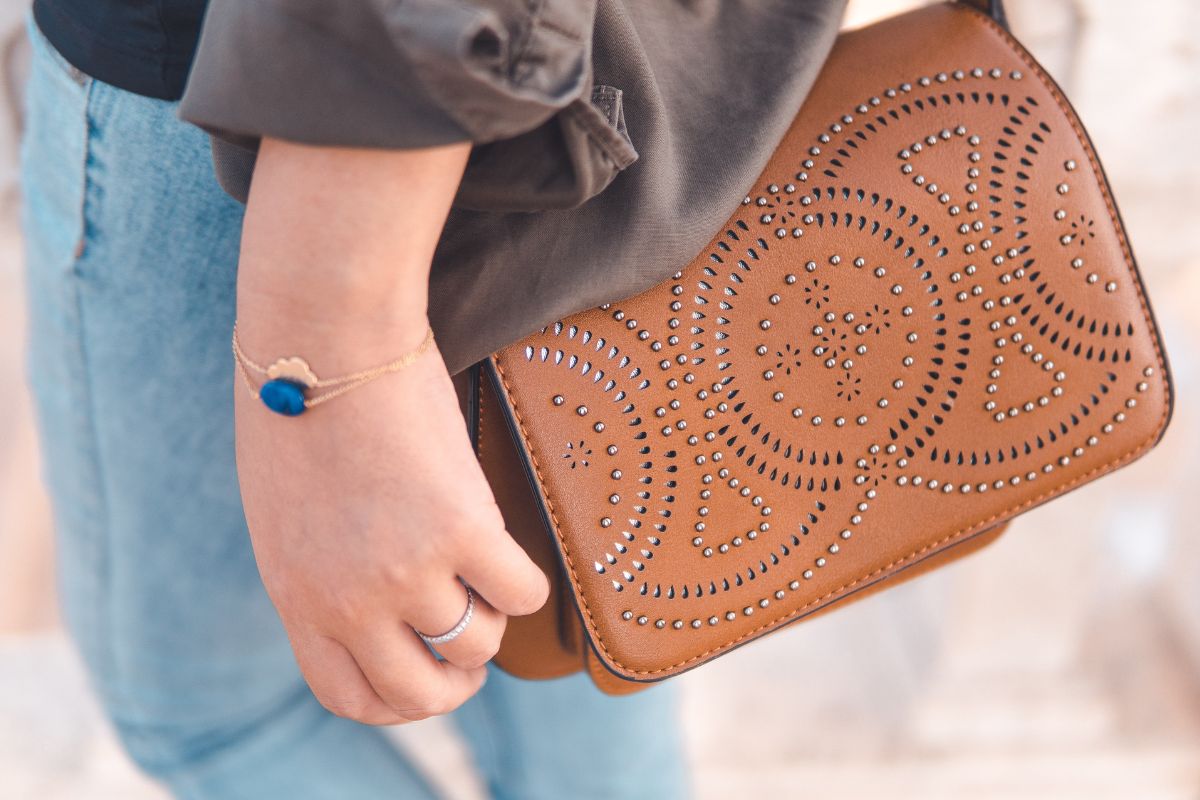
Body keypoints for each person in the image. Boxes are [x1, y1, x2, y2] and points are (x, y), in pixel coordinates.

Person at [20, 1, 845, 796]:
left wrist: (330, 335)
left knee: (215, 715)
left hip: (286, 113)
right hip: (652, 56)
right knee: (587, 639)